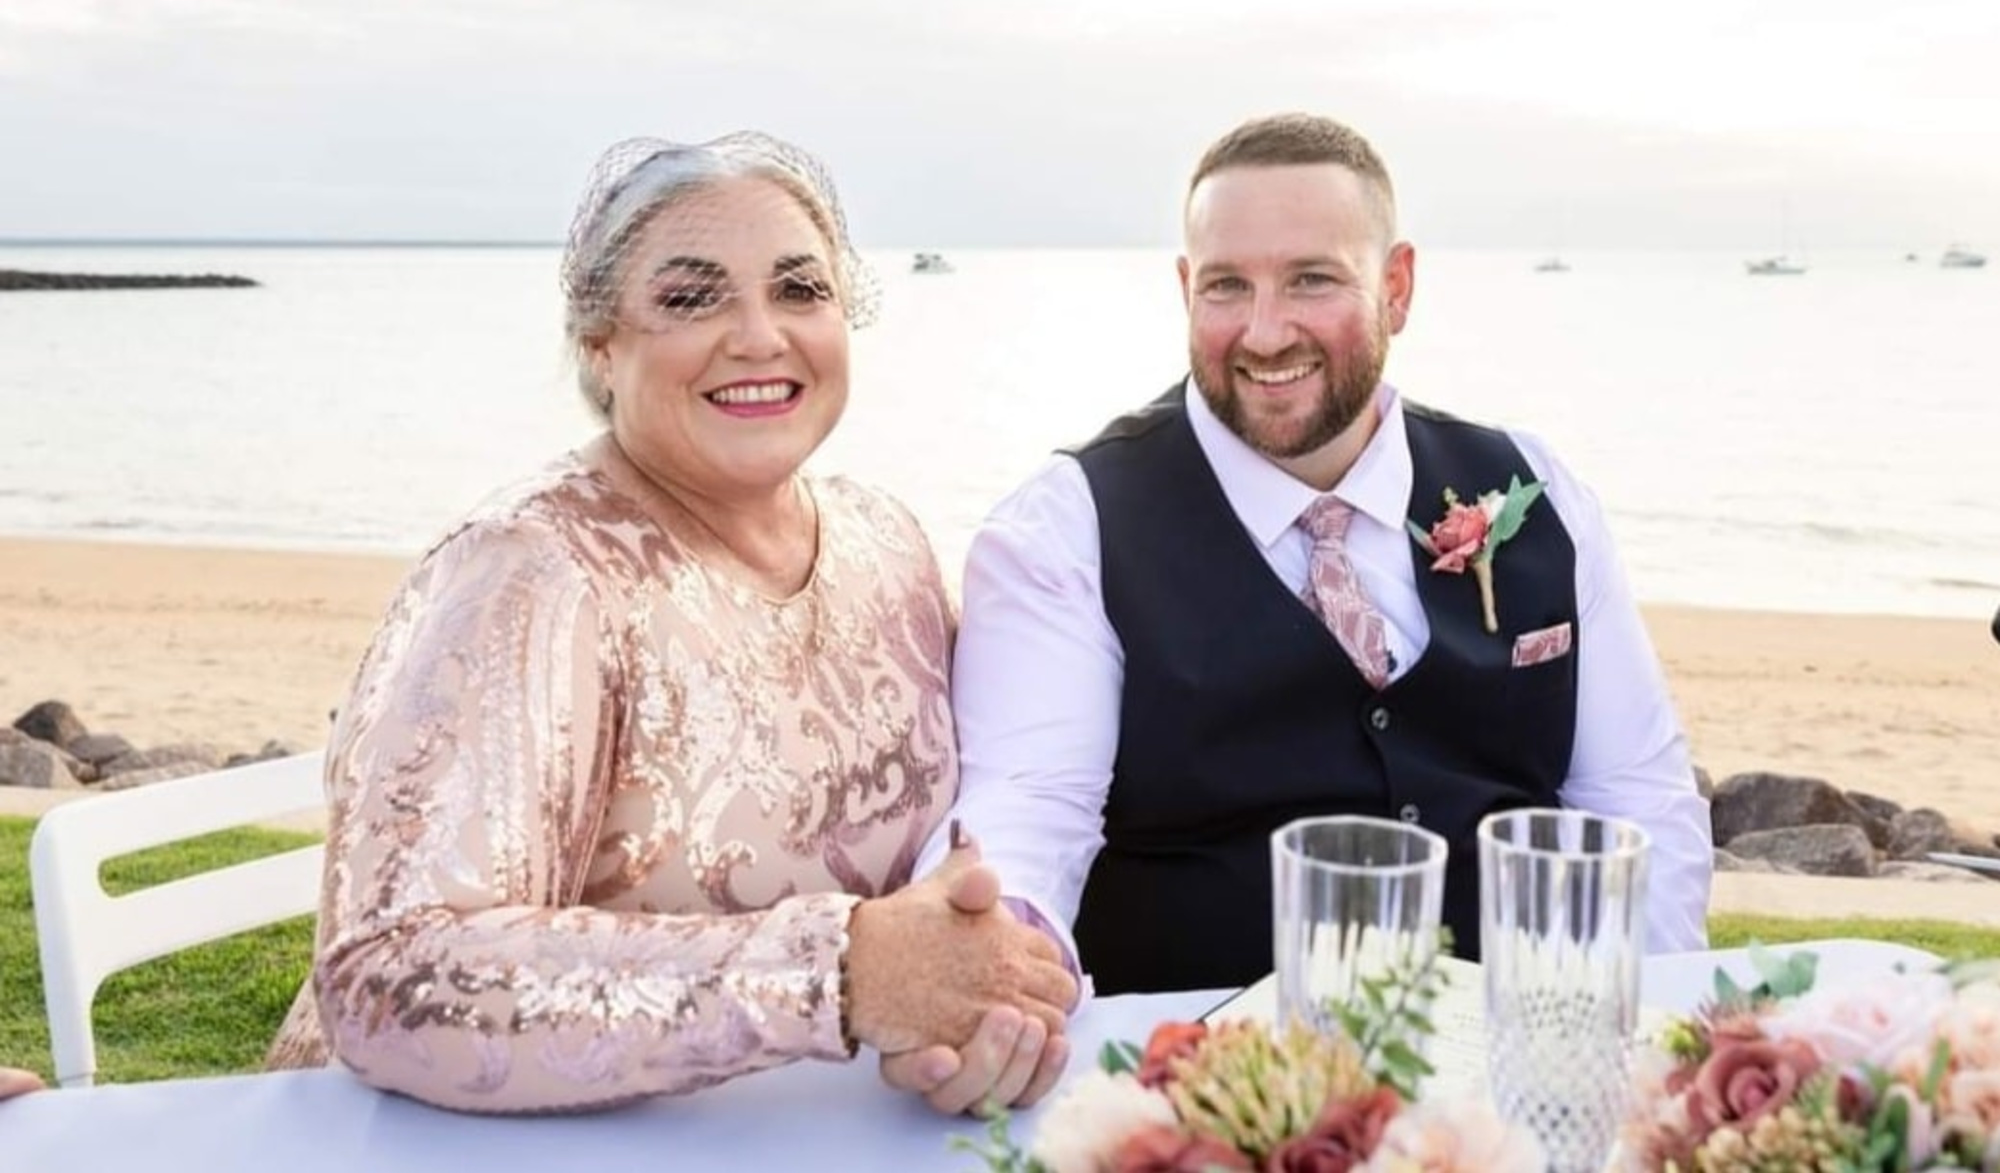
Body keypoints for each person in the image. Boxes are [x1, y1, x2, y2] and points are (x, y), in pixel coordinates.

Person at [263, 131, 1076, 1113]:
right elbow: (391, 972)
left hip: (813, 1131)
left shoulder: (884, 540)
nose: (758, 335)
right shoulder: (530, 572)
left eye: (799, 290)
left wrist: (975, 992)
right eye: (692, 297)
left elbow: (955, 852)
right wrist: (837, 971)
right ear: (600, 347)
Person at [925, 112, 1713, 996]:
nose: (1265, 333)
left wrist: (1650, 1038)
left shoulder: (1536, 488)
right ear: (1186, 288)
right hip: (1204, 1082)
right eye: (1227, 286)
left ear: (1398, 287)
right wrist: (990, 964)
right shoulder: (1065, 529)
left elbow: (1637, 803)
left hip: (1509, 1052)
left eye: (1311, 280)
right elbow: (1031, 809)